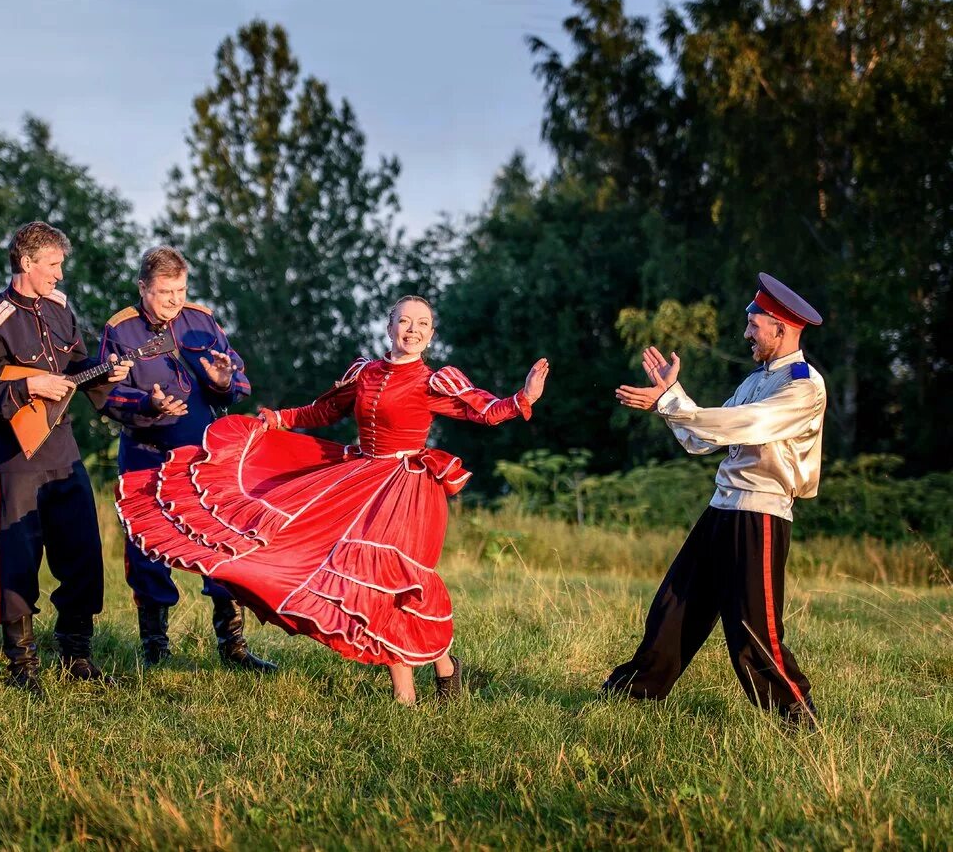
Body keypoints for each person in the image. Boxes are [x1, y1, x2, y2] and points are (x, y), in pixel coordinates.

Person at [116, 295, 550, 703]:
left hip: (406, 491)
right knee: (358, 578)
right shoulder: (364, 373)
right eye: (404, 321)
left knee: (396, 582)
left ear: (431, 335)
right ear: (389, 327)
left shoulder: (433, 380)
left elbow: (483, 409)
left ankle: (429, 676)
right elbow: (322, 411)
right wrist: (278, 419)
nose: (412, 330)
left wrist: (524, 397)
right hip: (359, 480)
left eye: (422, 324)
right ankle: (426, 681)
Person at [603, 272, 826, 727]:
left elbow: (744, 424)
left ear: (781, 328)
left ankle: (798, 717)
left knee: (753, 631)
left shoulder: (804, 386)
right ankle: (630, 696)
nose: (746, 333)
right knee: (674, 607)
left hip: (761, 513)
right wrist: (671, 397)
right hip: (722, 508)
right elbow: (703, 437)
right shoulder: (756, 379)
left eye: (754, 325)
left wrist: (670, 402)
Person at [0, 221, 132, 693]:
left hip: (63, 449)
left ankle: (77, 654)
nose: (59, 274)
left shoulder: (60, 310)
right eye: (52, 265)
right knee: (18, 557)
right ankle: (22, 663)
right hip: (12, 455)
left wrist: (107, 374)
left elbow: (77, 367)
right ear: (26, 262)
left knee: (83, 551)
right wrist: (28, 386)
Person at [98, 246, 276, 673]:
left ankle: (233, 646)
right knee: (146, 546)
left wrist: (224, 381)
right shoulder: (120, 329)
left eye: (180, 290)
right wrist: (148, 404)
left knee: (222, 541)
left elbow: (236, 379)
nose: (175, 300)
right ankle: (155, 648)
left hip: (202, 455)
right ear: (143, 288)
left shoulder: (201, 319)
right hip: (145, 454)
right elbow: (106, 394)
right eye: (165, 292)